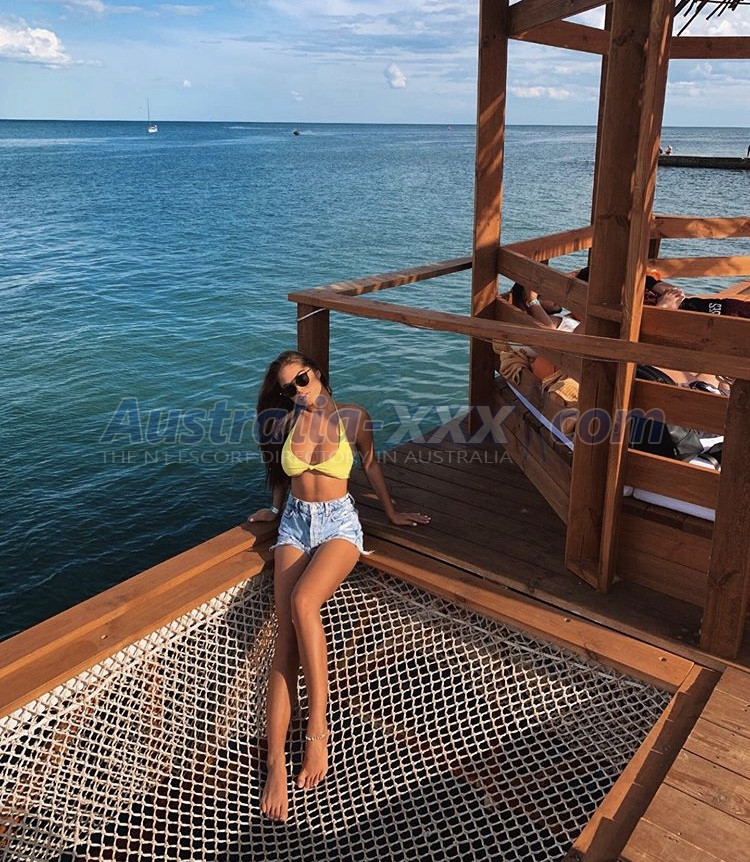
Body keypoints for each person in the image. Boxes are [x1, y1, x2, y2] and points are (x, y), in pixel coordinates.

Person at [248, 350, 430, 823]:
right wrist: (274, 510)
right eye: (287, 387)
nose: (297, 391)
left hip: (339, 526)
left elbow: (370, 465)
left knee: (304, 602)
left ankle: (318, 732)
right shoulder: (284, 423)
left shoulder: (353, 417)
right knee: (284, 641)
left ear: (317, 373)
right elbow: (280, 476)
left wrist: (391, 513)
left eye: (302, 379)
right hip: (294, 524)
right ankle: (275, 763)